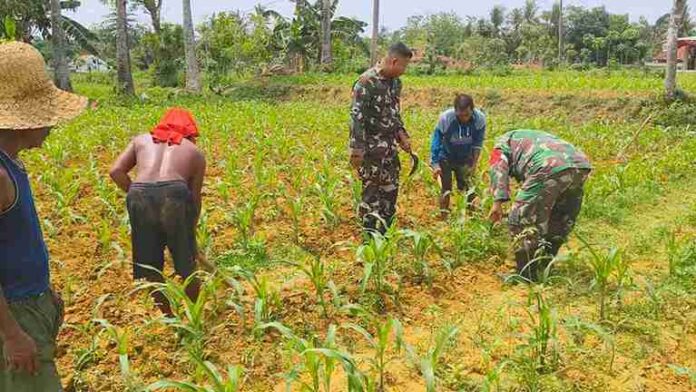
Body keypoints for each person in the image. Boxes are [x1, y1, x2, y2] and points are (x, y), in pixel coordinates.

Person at [0, 42, 87, 391]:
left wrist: (43, 292)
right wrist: (12, 334)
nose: (52, 124)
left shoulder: (12, 163)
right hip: (14, 314)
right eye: (45, 115)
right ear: (21, 122)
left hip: (29, 304)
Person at [109, 108, 206, 316]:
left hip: (139, 194)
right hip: (175, 194)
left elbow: (116, 171)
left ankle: (169, 317)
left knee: (150, 266)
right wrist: (190, 234)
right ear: (189, 131)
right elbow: (195, 199)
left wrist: (140, 193)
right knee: (187, 265)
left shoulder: (140, 140)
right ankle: (195, 316)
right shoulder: (194, 152)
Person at [487, 130, 592, 281]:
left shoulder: (500, 147)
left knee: (521, 218)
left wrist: (497, 203)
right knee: (559, 217)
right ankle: (544, 266)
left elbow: (499, 169)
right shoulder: (528, 136)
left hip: (548, 166)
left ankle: (525, 275)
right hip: (580, 165)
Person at [349, 42, 413, 235]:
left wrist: (402, 135)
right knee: (370, 197)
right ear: (394, 61)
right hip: (370, 152)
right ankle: (368, 241)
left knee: (390, 194)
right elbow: (356, 116)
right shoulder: (366, 82)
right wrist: (356, 150)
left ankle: (383, 239)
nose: (404, 71)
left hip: (390, 151)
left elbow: (394, 114)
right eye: (403, 66)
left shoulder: (396, 84)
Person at [430, 94, 486, 218]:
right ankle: (444, 217)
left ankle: (471, 216)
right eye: (460, 115)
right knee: (446, 188)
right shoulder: (446, 118)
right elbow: (436, 140)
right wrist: (435, 163)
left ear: (472, 110)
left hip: (465, 157)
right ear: (455, 111)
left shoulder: (479, 119)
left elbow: (478, 143)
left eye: (467, 115)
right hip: (446, 156)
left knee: (468, 188)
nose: (464, 118)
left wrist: (474, 164)